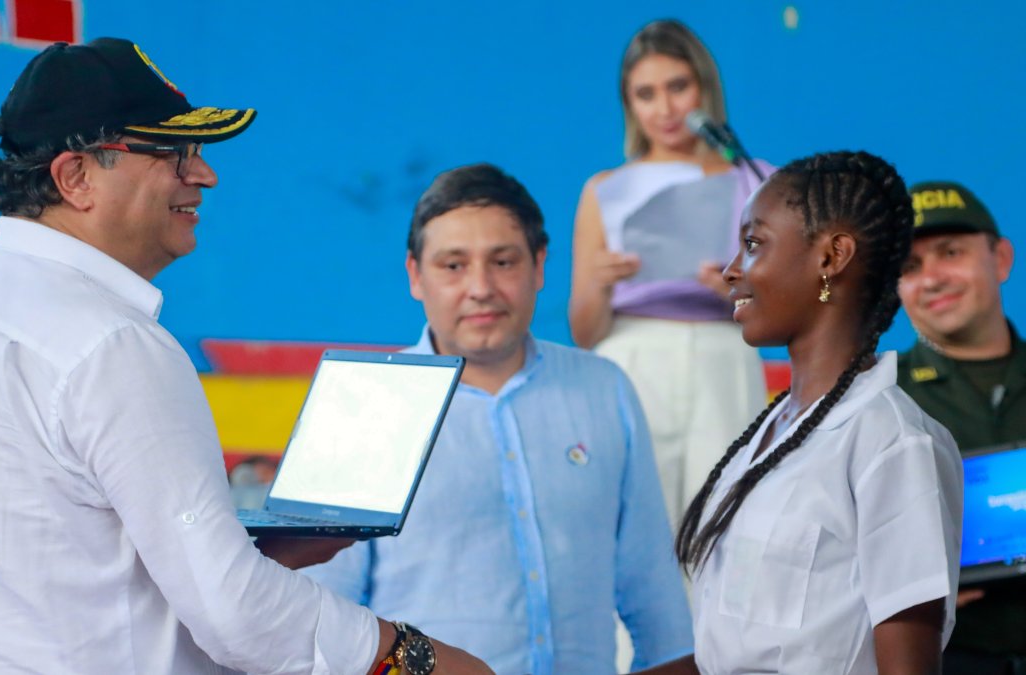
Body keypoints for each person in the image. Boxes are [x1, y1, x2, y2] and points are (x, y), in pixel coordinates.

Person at [0, 37, 489, 675]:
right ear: (75, 177)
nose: (203, 174)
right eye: (169, 152)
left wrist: (249, 550)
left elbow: (64, 560)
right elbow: (236, 614)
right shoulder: (111, 343)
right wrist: (413, 660)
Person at [304, 163, 693, 674]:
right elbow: (320, 620)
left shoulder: (604, 388)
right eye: (453, 266)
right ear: (415, 276)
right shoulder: (362, 405)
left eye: (504, 262)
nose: (481, 287)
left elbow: (654, 596)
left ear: (539, 265)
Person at [633, 151, 964, 674]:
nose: (732, 269)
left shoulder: (892, 442)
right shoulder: (771, 430)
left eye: (753, 244)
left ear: (832, 257)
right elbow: (728, 657)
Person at [568, 19, 768, 529]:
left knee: (723, 522)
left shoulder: (756, 179)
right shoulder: (604, 188)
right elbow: (584, 332)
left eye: (678, 86)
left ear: (705, 86)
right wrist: (599, 282)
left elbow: (789, 311)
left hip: (723, 356)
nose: (665, 107)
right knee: (633, 524)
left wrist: (735, 293)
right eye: (646, 93)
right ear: (629, 105)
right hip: (632, 355)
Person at [896, 180, 1025, 675]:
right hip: (946, 660)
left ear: (1001, 259)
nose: (931, 279)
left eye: (950, 253)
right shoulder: (877, 399)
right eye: (909, 267)